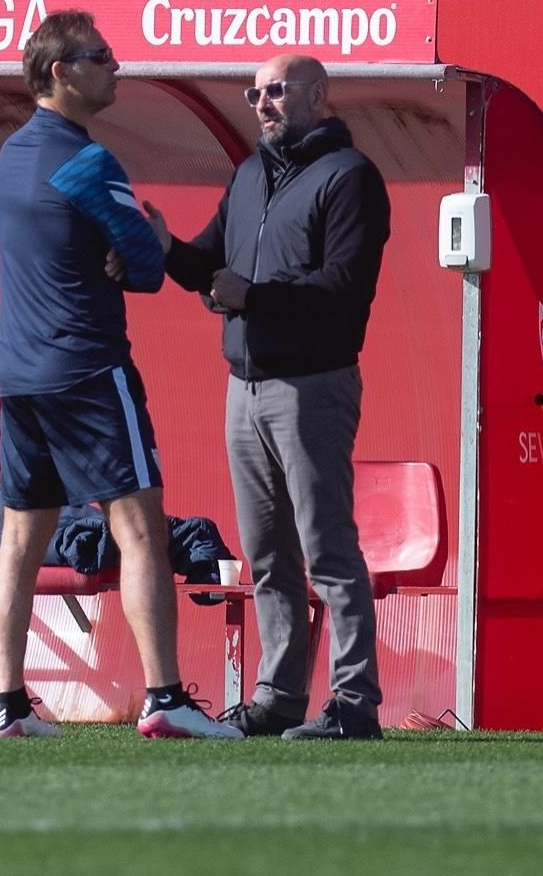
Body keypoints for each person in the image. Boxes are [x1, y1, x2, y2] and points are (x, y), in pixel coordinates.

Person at [0, 10, 242, 740]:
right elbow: (152, 265)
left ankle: (8, 705)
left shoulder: (8, 155)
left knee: (19, 541)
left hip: (20, 376)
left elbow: (81, 249)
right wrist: (144, 248)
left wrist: (122, 255)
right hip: (89, 368)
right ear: (60, 72)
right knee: (140, 529)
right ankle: (165, 697)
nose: (115, 65)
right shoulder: (89, 162)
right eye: (100, 56)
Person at [149, 55, 392, 739]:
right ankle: (280, 697)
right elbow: (208, 259)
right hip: (245, 389)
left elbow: (344, 289)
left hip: (312, 386)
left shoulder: (350, 178)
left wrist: (250, 297)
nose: (262, 103)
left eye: (278, 90)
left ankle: (353, 704)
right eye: (255, 92)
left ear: (319, 95)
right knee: (267, 555)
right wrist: (164, 248)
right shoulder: (252, 174)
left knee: (328, 550)